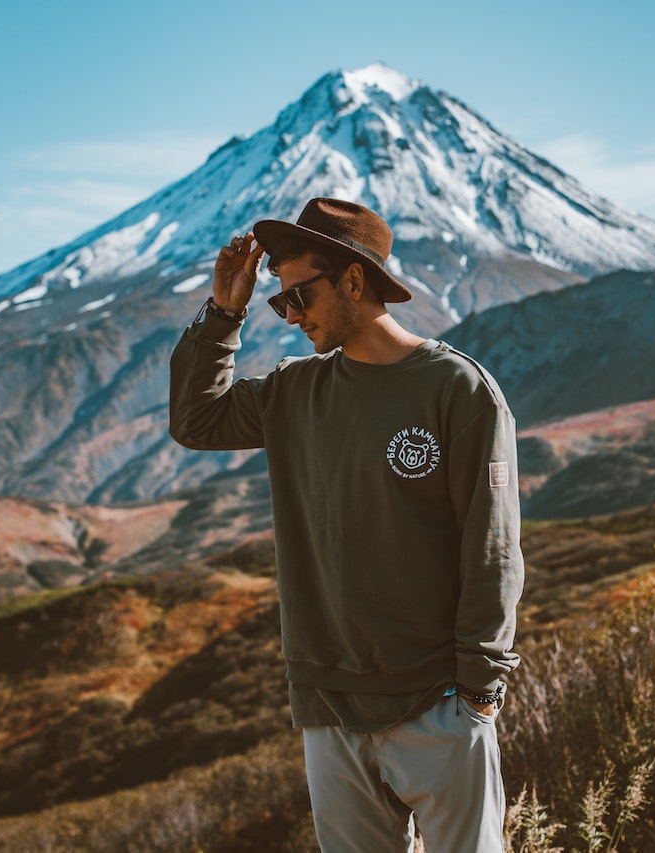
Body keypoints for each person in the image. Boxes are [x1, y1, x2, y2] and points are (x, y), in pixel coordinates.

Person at [168, 197, 524, 852]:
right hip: (328, 708)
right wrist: (225, 312)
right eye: (281, 304)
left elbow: (492, 547)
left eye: (299, 296)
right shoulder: (292, 392)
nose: (292, 316)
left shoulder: (458, 390)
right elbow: (196, 420)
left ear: (354, 280)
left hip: (439, 701)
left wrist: (476, 691)